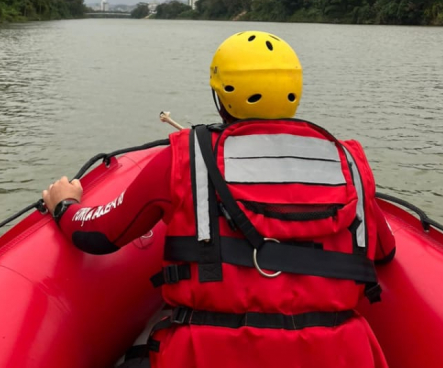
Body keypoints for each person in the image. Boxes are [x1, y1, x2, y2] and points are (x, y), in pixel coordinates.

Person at [42, 31, 396, 368]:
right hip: (336, 354)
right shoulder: (350, 164)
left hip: (211, 354)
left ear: (220, 96)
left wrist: (65, 205)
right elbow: (384, 252)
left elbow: (99, 235)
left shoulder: (182, 159)